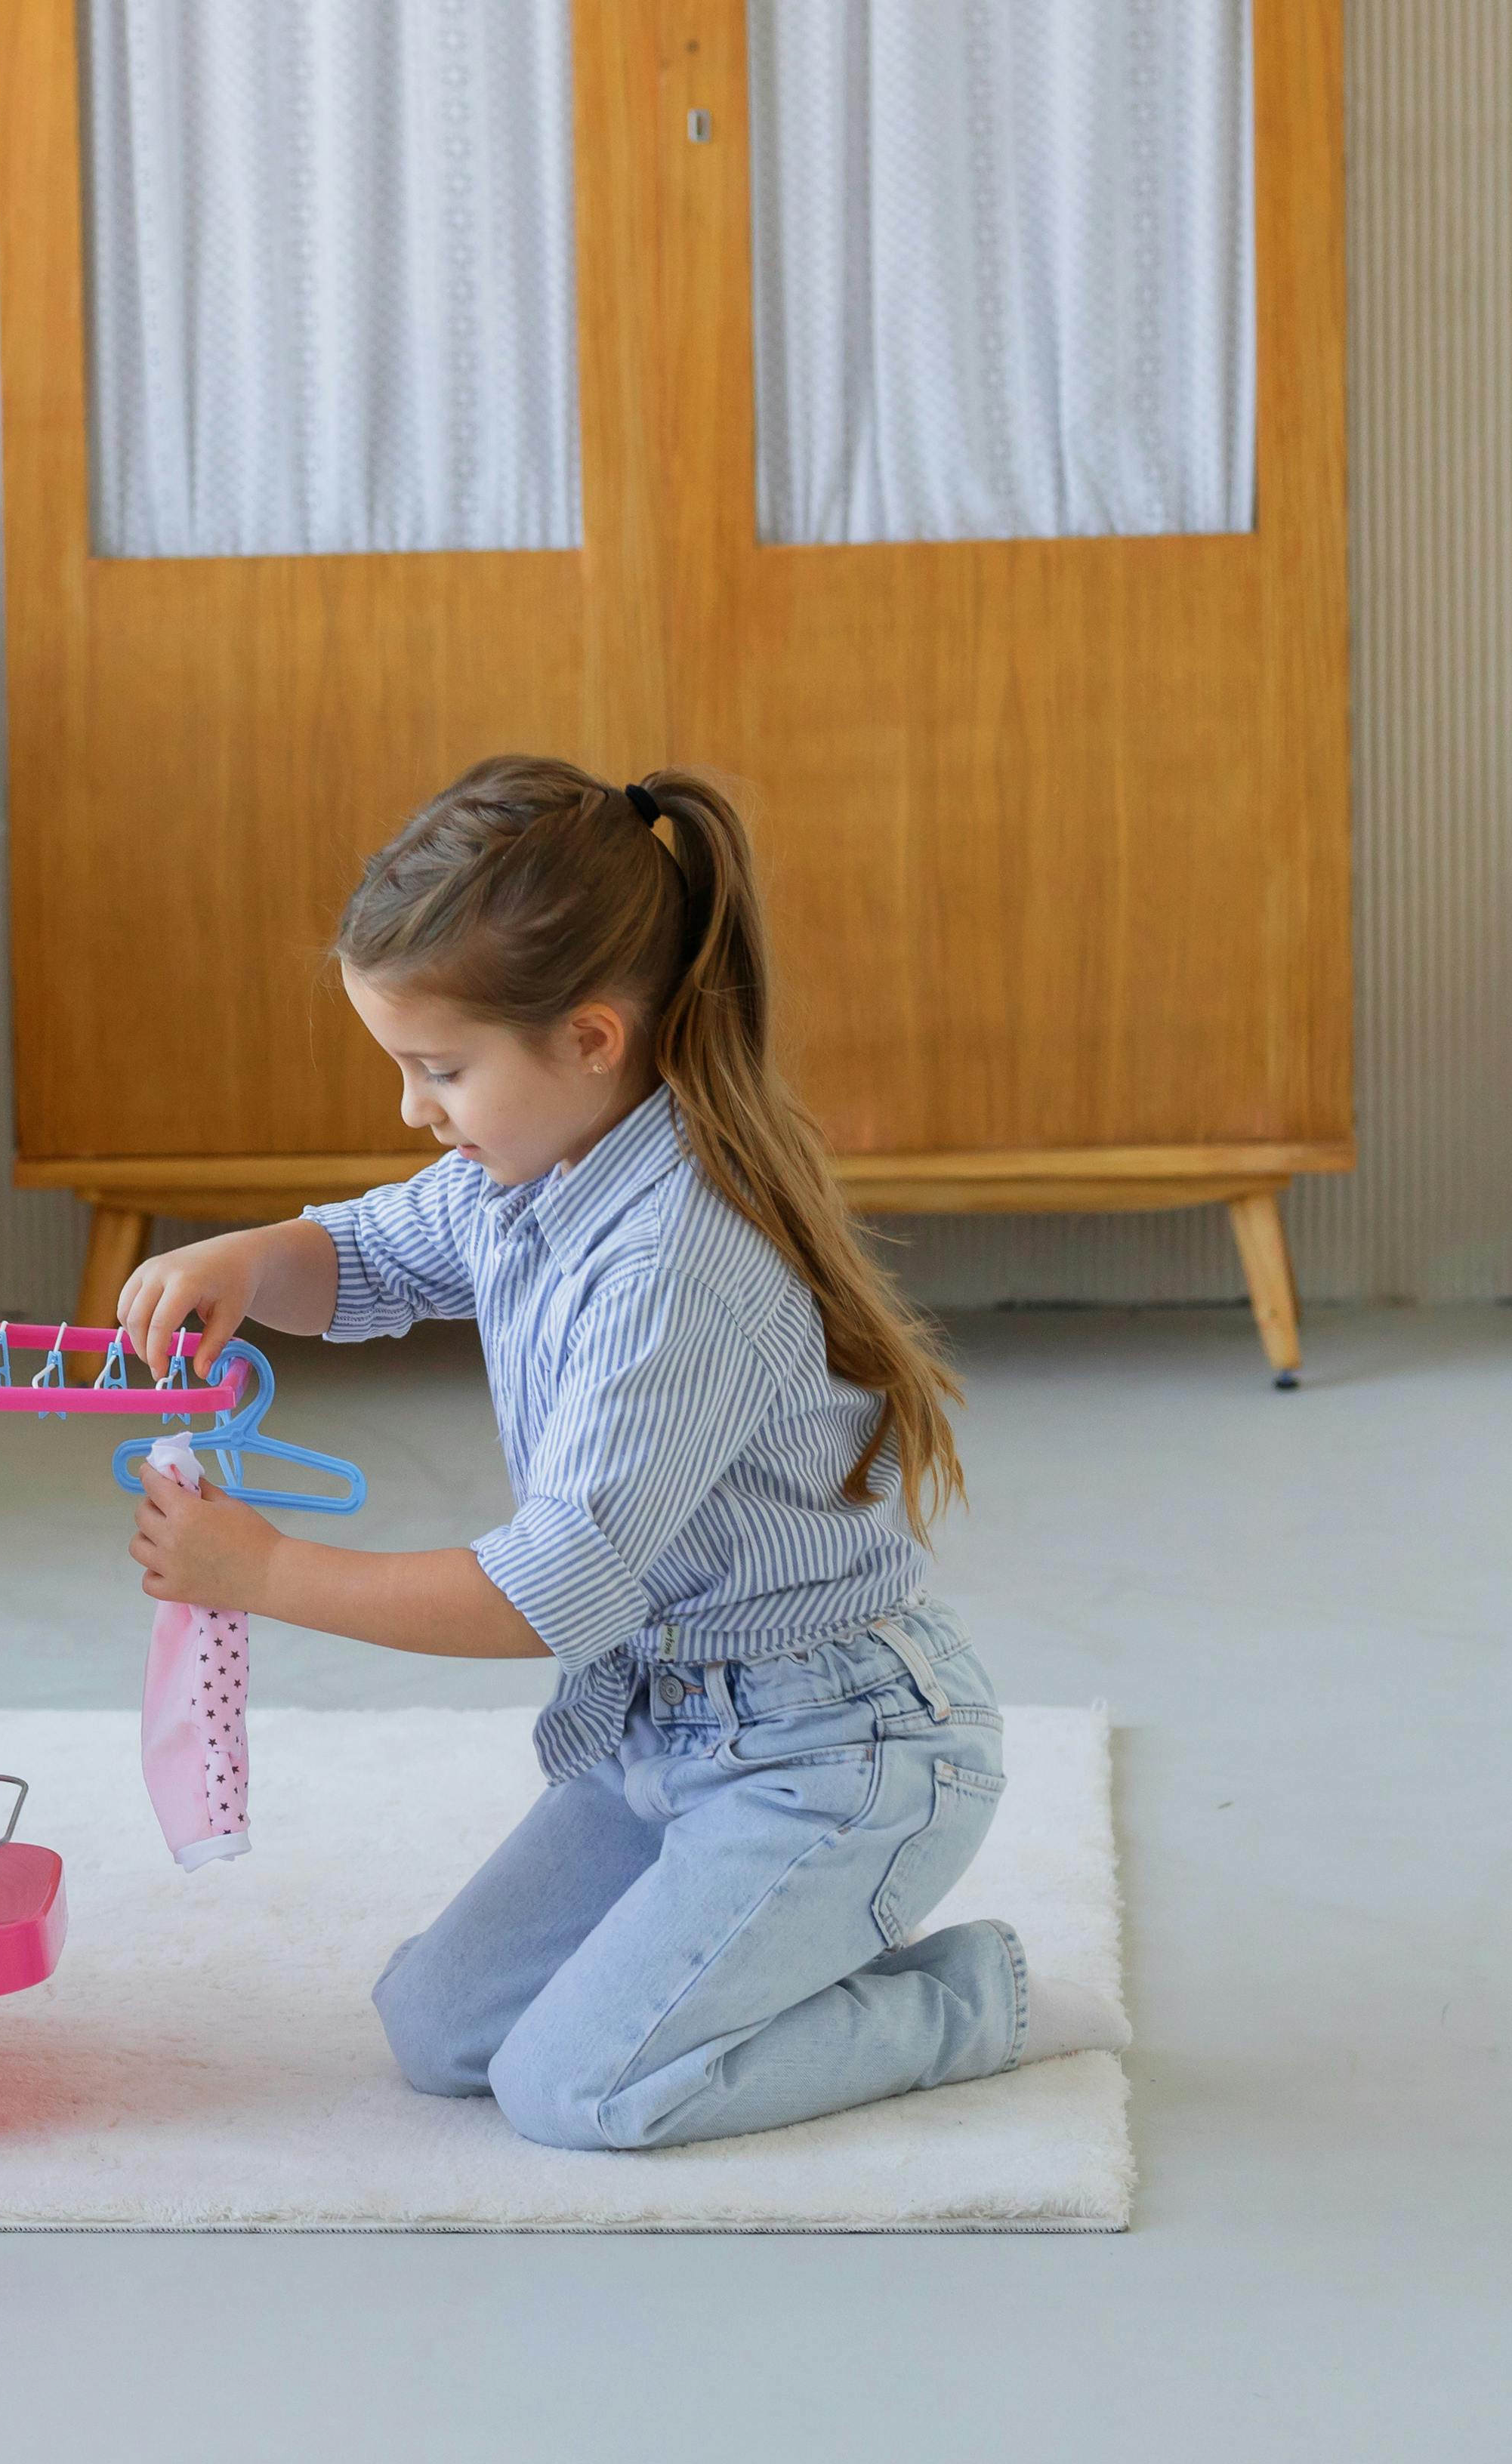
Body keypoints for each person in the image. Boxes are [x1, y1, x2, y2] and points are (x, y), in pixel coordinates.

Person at [117, 759, 1128, 2151]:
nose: (417, 1113)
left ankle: (976, 2003)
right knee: (440, 2032)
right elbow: (365, 1253)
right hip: (661, 1738)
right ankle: (745, 1950)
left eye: (441, 1071)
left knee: (574, 2090)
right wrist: (242, 1258)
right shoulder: (522, 1173)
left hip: (833, 1757)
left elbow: (547, 1594)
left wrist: (268, 1570)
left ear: (591, 1038)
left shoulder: (677, 1263)